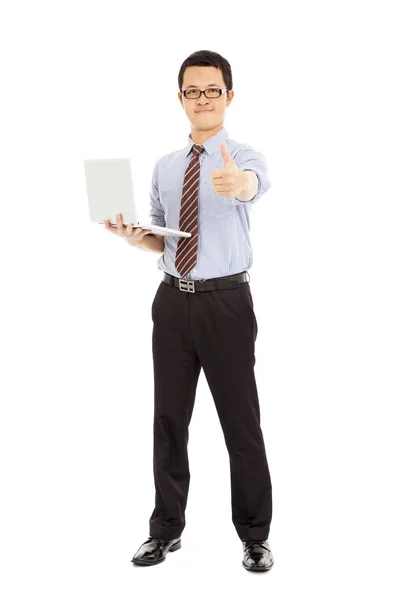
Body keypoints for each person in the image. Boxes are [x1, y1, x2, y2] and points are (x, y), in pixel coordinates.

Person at [104, 50, 273, 572]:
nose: (203, 99)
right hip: (173, 303)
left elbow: (252, 186)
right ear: (181, 98)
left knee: (240, 423)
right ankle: (165, 530)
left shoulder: (244, 157)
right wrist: (136, 238)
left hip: (226, 304)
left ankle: (255, 536)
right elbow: (163, 238)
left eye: (212, 90)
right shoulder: (166, 166)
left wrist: (236, 184)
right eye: (193, 91)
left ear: (228, 96)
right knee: (169, 420)